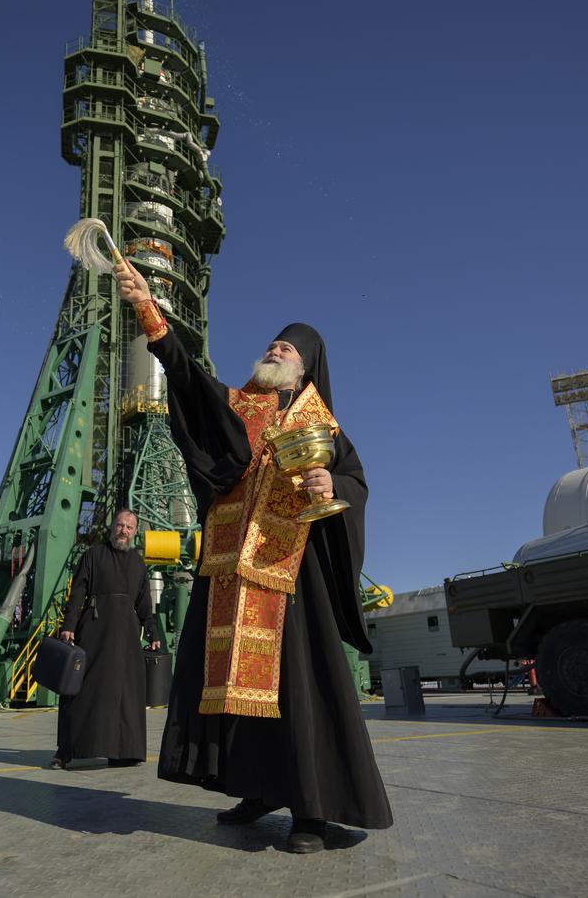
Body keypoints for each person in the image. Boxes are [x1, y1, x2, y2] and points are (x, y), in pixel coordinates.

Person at [114, 260, 393, 855]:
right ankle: (257, 787)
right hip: (230, 572)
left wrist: (331, 488)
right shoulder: (241, 405)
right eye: (273, 341)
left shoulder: (327, 429)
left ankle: (314, 815)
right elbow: (189, 380)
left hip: (294, 574)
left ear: (307, 365)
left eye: (288, 347)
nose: (275, 346)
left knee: (299, 689)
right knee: (236, 690)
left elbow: (356, 486)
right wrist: (148, 311)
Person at [51, 508, 162, 770]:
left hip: (126, 637)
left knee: (126, 694)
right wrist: (69, 625)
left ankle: (123, 752)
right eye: (119, 525)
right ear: (112, 527)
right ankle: (65, 751)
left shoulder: (137, 563)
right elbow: (78, 591)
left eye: (128, 527)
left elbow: (144, 603)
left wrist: (153, 632)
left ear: (135, 532)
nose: (123, 530)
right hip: (94, 630)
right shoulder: (94, 555)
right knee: (80, 689)